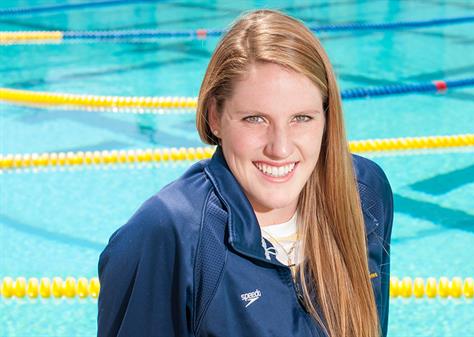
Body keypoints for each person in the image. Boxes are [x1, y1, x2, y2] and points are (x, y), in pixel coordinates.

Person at [97, 9, 393, 337]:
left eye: (302, 118)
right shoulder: (169, 233)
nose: (280, 148)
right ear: (214, 117)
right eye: (255, 118)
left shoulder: (363, 191)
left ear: (327, 118)